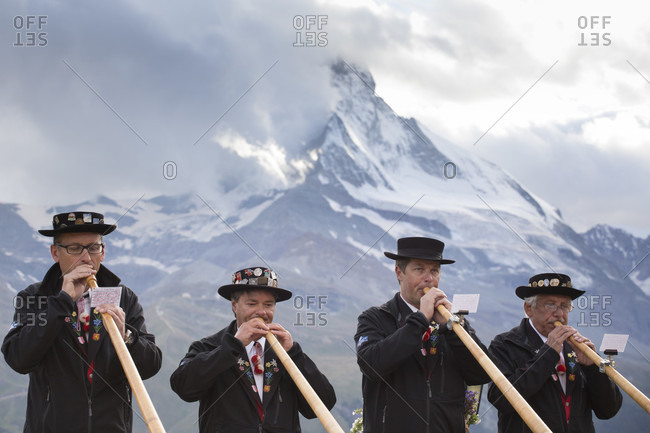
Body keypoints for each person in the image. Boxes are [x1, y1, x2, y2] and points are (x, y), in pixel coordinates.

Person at [2, 211, 163, 433]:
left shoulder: (123, 297)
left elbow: (151, 365)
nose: (86, 258)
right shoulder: (34, 298)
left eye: (94, 248)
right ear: (55, 253)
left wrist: (127, 336)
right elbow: (18, 358)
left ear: (103, 252)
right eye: (75, 248)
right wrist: (61, 303)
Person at [170, 266, 336, 433]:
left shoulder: (284, 351)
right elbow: (184, 388)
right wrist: (233, 346)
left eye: (269, 305)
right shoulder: (209, 346)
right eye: (252, 303)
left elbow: (323, 404)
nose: (262, 312)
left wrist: (294, 354)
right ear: (234, 305)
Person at [355, 237, 490, 433]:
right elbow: (371, 366)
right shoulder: (375, 318)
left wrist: (453, 330)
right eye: (419, 269)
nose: (429, 279)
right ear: (399, 272)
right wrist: (419, 320)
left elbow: (481, 373)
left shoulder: (452, 323)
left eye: (434, 270)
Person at [488, 273, 622, 432]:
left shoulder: (576, 347)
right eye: (551, 305)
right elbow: (501, 400)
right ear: (529, 308)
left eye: (565, 306)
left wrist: (592, 368)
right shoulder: (505, 344)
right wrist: (548, 354)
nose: (559, 314)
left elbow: (608, 410)